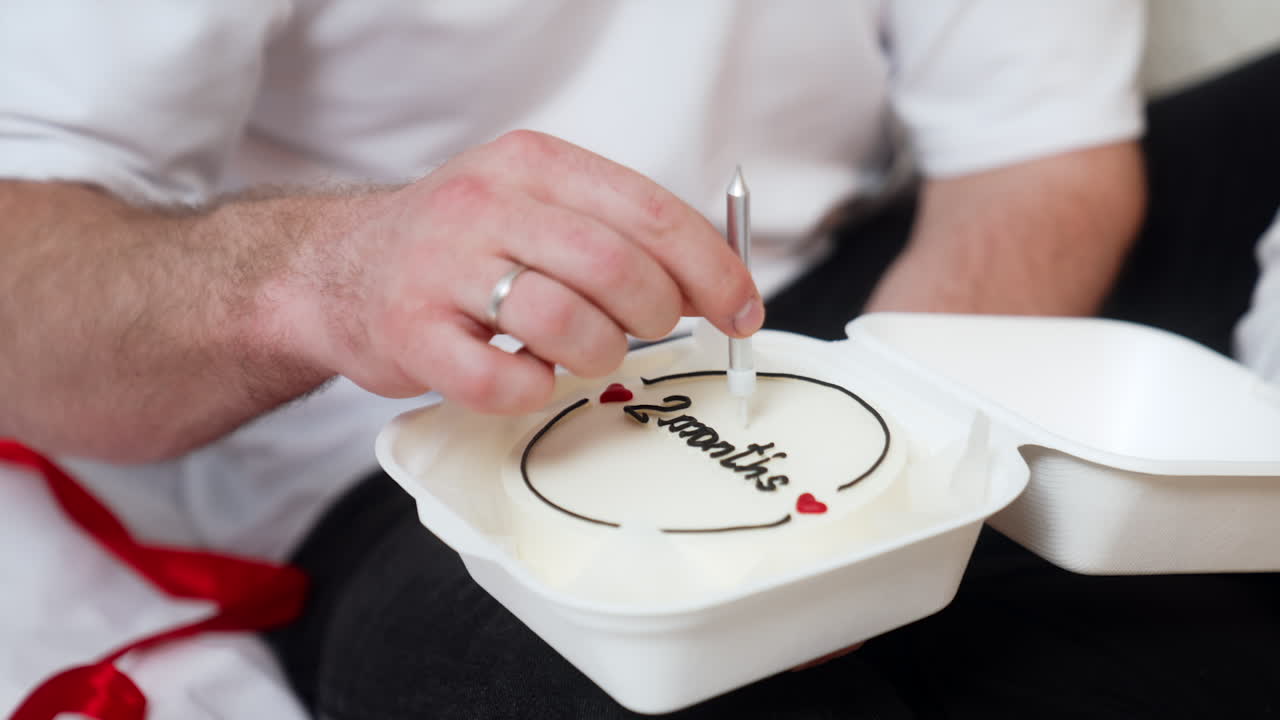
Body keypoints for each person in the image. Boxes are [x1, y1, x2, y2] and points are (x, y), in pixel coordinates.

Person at [3, 1, 1272, 718]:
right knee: (565, 678)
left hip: (822, 317)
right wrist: (324, 275)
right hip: (418, 444)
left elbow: (1032, 157)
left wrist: (884, 468)